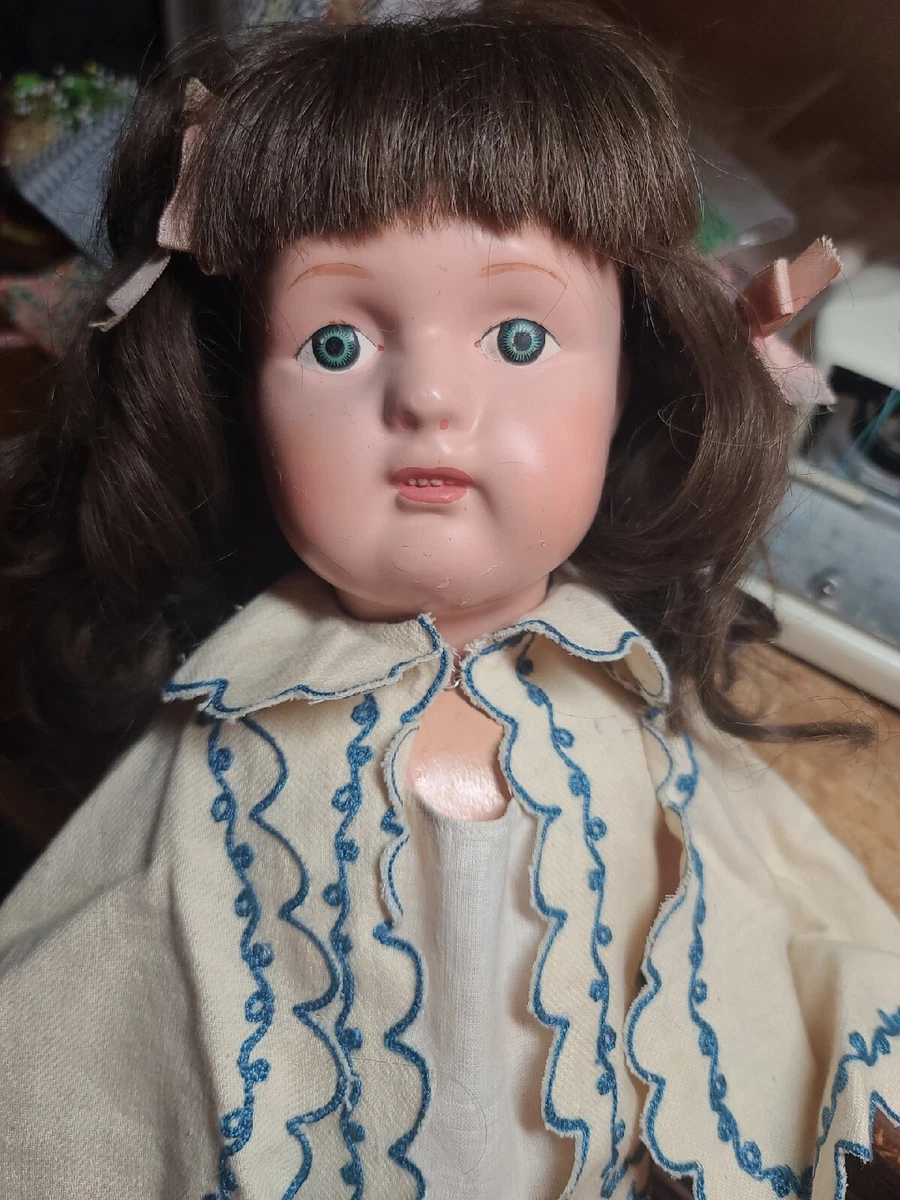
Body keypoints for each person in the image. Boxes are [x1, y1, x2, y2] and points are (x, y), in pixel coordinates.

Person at [0, 6, 897, 1198]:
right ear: (242, 402)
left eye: (519, 337)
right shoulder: (229, 741)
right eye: (335, 346)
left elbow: (772, 887)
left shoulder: (622, 701)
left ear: (629, 381)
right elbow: (78, 1016)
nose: (427, 396)